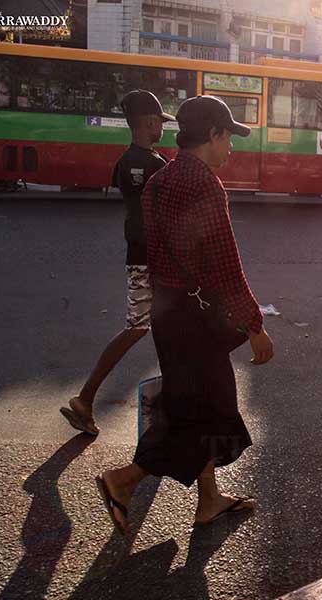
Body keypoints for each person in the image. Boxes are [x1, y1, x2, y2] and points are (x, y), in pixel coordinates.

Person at [95, 96, 275, 533]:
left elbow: (151, 250)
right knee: (197, 411)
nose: (231, 147)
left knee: (197, 404)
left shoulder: (160, 179)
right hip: (196, 321)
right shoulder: (205, 184)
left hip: (168, 311)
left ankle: (209, 500)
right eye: (228, 136)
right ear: (212, 135)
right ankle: (124, 480)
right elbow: (224, 266)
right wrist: (255, 326)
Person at [60, 90, 172, 436]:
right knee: (140, 327)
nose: (164, 129)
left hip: (140, 257)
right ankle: (88, 398)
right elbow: (150, 220)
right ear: (150, 122)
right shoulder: (153, 164)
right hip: (150, 261)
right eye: (161, 123)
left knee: (158, 329)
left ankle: (93, 400)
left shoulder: (126, 160)